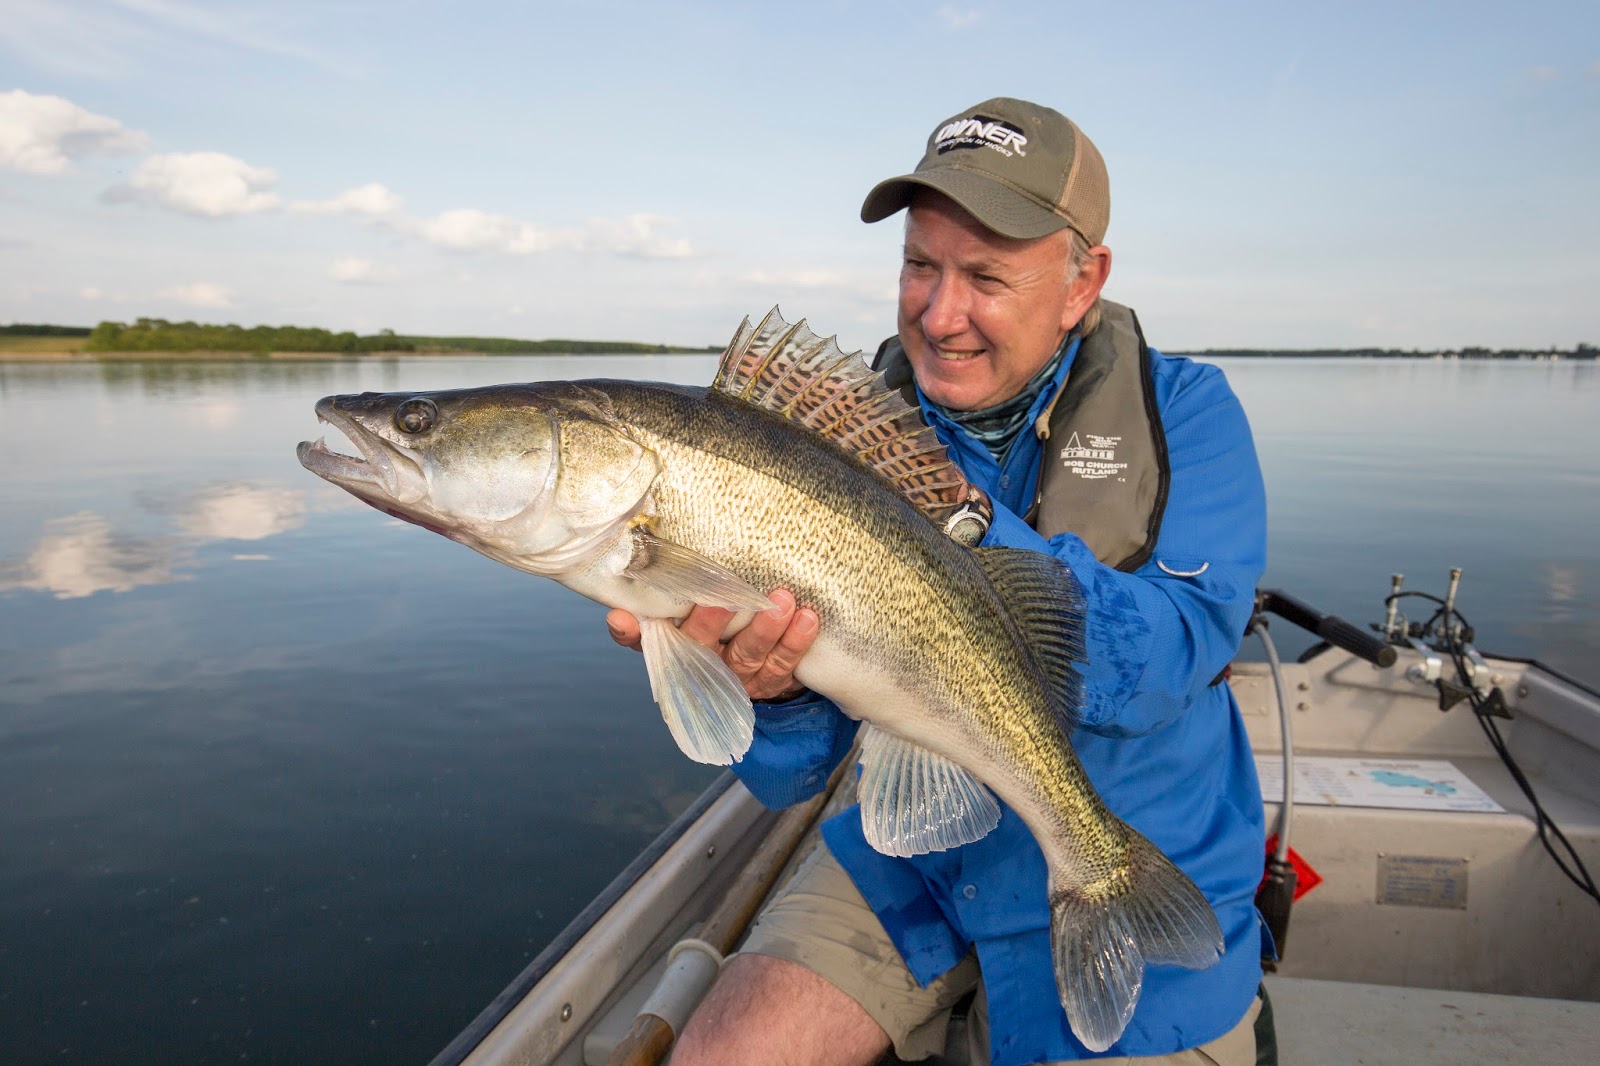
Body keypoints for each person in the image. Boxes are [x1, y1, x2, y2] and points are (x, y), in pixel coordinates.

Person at [606, 97, 1270, 1066]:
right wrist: (772, 688)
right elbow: (791, 775)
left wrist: (955, 511)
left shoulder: (1188, 413)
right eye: (920, 265)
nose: (939, 312)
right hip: (912, 854)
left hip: (1144, 839)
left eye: (985, 277)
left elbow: (1171, 660)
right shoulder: (831, 431)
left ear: (1082, 281)